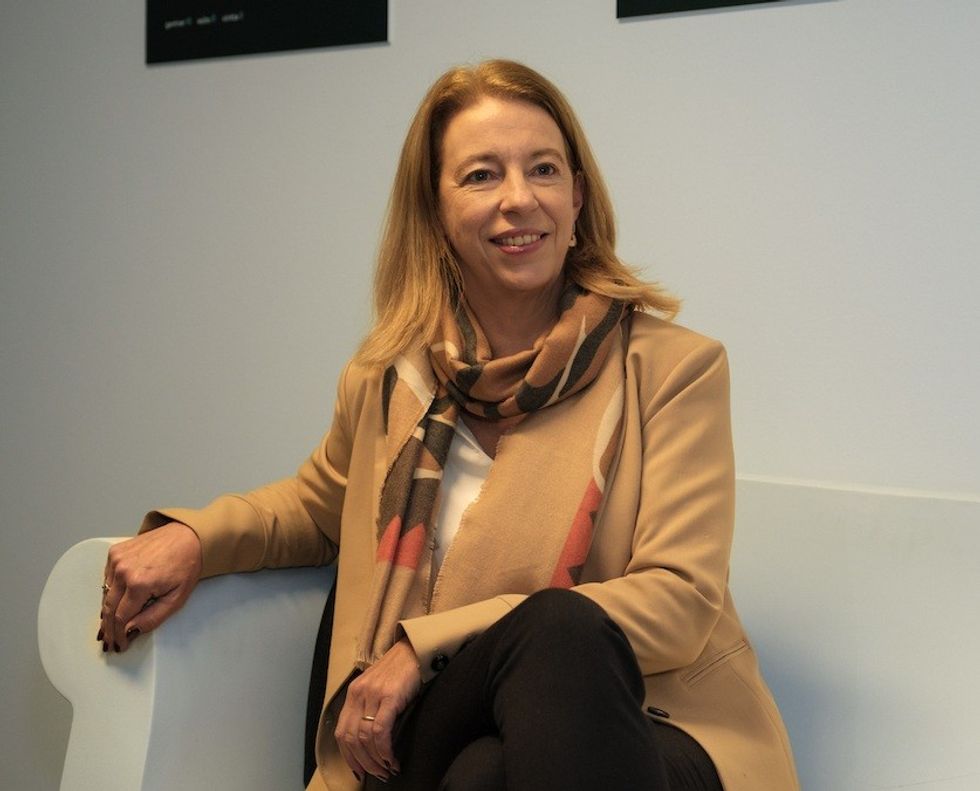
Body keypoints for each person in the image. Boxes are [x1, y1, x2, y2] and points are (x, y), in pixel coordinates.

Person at [98, 60, 800, 791]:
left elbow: (680, 601)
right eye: (482, 176)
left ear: (579, 197)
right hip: (442, 720)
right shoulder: (388, 382)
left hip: (648, 728)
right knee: (490, 744)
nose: (519, 200)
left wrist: (423, 646)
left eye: (544, 170)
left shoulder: (672, 369)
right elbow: (315, 506)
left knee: (516, 713)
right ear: (434, 211)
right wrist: (193, 536)